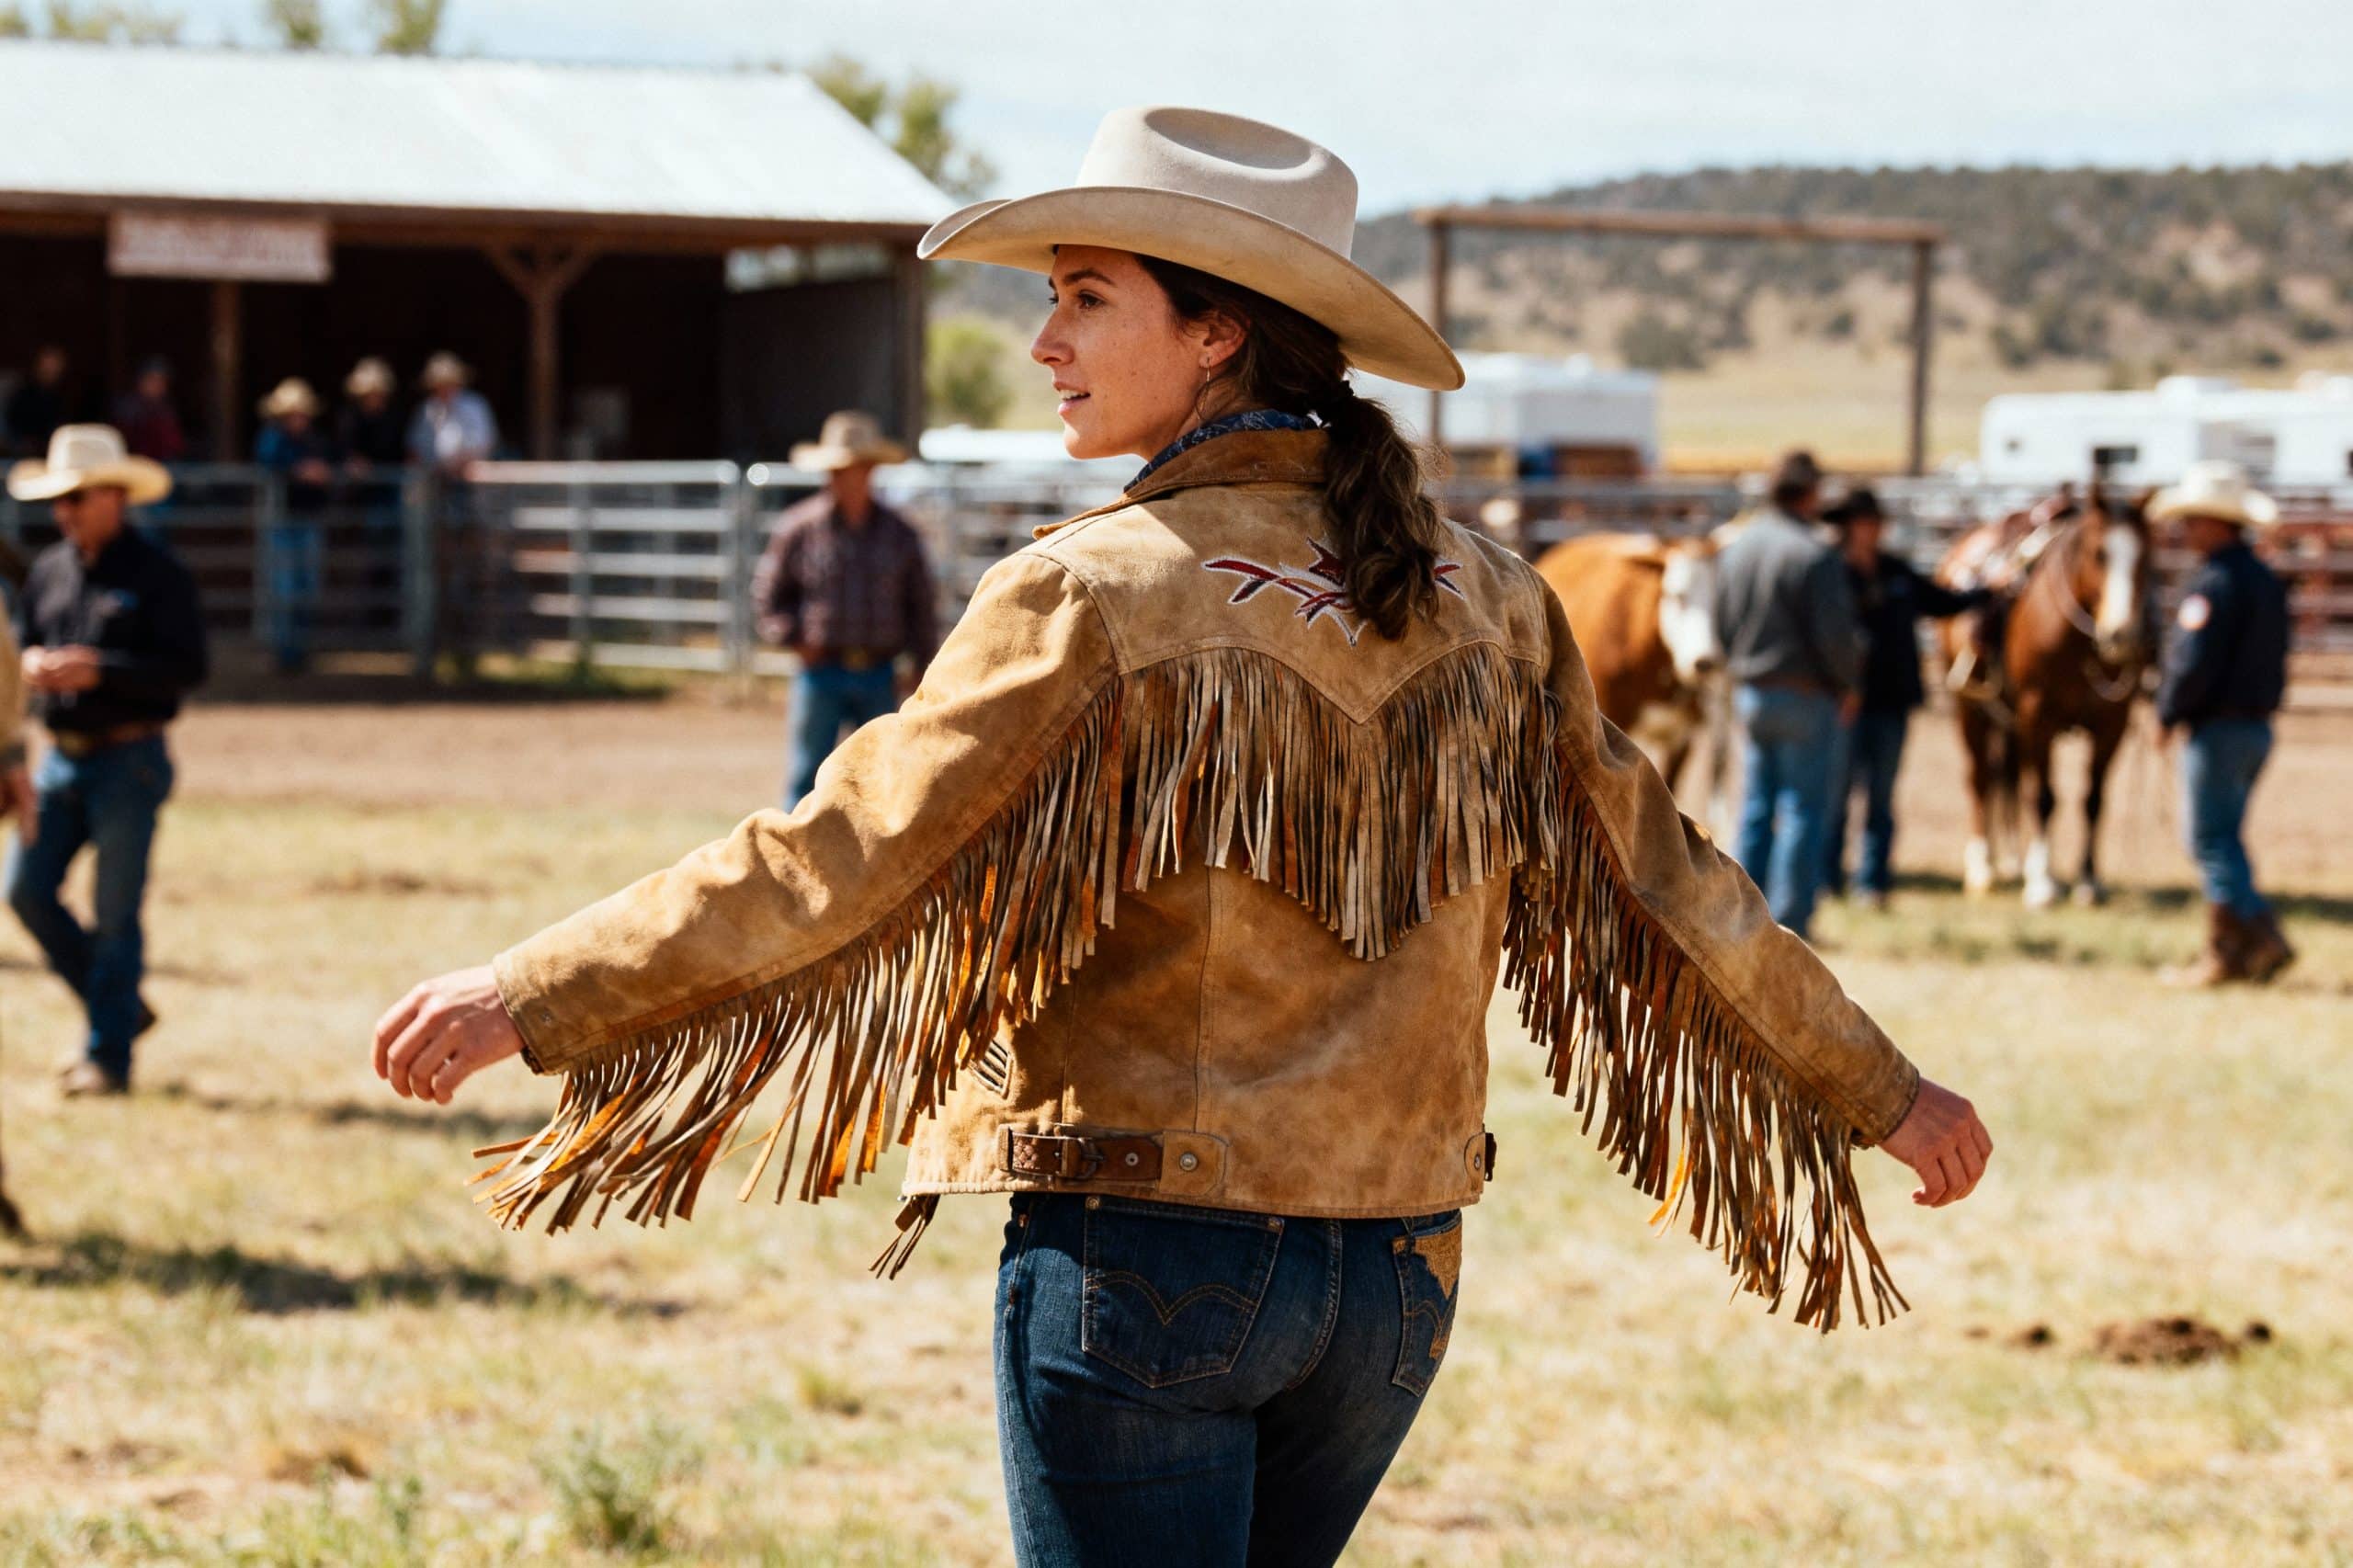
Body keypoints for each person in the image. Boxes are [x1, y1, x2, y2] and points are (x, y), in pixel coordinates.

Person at [369, 107, 1990, 1568]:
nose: (1044, 341)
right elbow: (1669, 885)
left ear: (1215, 334)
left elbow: (842, 856)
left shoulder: (1094, 587)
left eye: (1085, 295)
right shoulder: (1489, 601)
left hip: (1150, 1249)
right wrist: (1880, 1089)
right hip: (1398, 1275)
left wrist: (540, 989)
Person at [6, 426, 207, 1096]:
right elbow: (26, 642)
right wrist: (31, 666)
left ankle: (107, 1059)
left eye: (79, 496)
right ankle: (118, 1011)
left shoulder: (159, 576)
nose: (64, 511)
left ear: (117, 496)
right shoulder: (48, 573)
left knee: (115, 913)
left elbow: (186, 668)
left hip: (130, 759)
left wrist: (101, 672)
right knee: (26, 892)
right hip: (60, 761)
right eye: (59, 499)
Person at [2151, 460, 2292, 986]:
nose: (2185, 530)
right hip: (2256, 728)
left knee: (2209, 838)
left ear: (2216, 523)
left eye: (2193, 519)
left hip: (2218, 732)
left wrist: (2167, 711)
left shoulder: (2210, 585)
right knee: (2225, 836)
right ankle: (2245, 943)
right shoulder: (2264, 580)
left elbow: (2193, 662)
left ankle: (2243, 940)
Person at [753, 410, 938, 807]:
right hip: (821, 670)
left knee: (881, 782)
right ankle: (796, 864)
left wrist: (922, 664)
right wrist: (795, 639)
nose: (845, 477)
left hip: (879, 671)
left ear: (870, 471)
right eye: (839, 469)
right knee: (805, 777)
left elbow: (920, 604)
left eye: (854, 468)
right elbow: (768, 596)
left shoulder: (900, 534)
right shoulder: (799, 529)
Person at [1711, 449, 1861, 938]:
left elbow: (1723, 621)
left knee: (1756, 803)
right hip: (1805, 695)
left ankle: (1743, 914)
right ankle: (1792, 919)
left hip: (1752, 691)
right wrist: (1848, 682)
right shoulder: (1815, 553)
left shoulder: (1740, 547)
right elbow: (1834, 636)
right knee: (1801, 807)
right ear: (1811, 493)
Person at [1820, 488, 1985, 909]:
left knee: (1881, 795)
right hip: (1843, 704)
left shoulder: (1894, 571)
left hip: (1890, 701)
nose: (1873, 531)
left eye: (1875, 523)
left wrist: (1984, 594)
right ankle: (1827, 877)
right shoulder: (1831, 574)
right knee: (1836, 794)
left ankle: (1872, 882)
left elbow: (1939, 601)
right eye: (1864, 523)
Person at [254, 379, 334, 673]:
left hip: (309, 518)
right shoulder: (273, 438)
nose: (297, 418)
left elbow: (329, 464)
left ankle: (301, 651)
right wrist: (299, 471)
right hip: (283, 522)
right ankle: (284, 652)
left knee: (307, 588)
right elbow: (268, 461)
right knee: (284, 589)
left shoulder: (314, 440)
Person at [406, 352, 498, 478]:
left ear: (458, 382)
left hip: (469, 476)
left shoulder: (475, 405)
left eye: (449, 383)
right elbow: (415, 444)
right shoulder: (426, 409)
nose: (444, 388)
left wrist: (460, 462)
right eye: (440, 384)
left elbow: (486, 441)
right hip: (433, 477)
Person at [335, 358, 409, 476]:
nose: (374, 399)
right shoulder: (349, 417)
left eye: (378, 394)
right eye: (369, 394)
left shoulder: (395, 418)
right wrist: (354, 459)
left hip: (389, 482)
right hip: (357, 484)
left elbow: (400, 451)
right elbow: (343, 447)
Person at [110, 358, 188, 466]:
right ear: (140, 382)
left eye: (161, 381)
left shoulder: (165, 409)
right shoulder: (128, 410)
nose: (157, 386)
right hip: (135, 465)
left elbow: (174, 445)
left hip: (166, 465)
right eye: (152, 380)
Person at [5, 347, 72, 458]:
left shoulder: (63, 395)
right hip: (22, 451)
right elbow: (13, 426)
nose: (51, 370)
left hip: (53, 450)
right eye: (48, 365)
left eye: (55, 366)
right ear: (38, 365)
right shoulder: (23, 393)